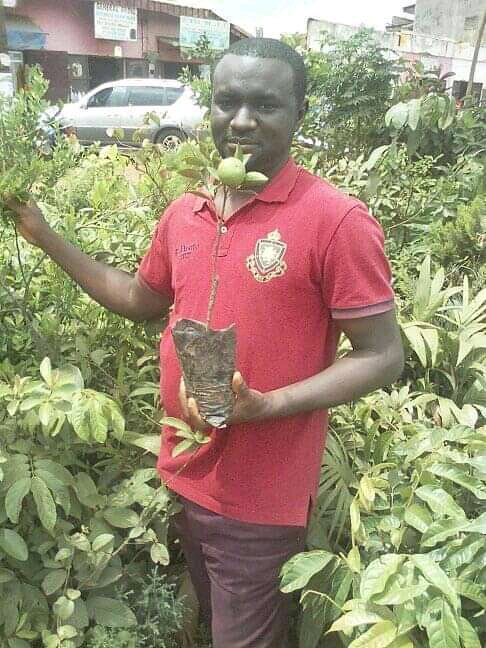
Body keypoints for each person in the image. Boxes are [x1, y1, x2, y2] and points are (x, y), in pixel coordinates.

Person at [7, 38, 404, 648]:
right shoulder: (187, 211)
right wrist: (46, 237)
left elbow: (383, 355)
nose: (241, 121)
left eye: (265, 105)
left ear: (299, 112)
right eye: (227, 103)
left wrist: (267, 405)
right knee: (208, 619)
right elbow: (141, 298)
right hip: (184, 469)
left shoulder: (335, 220)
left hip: (259, 498)